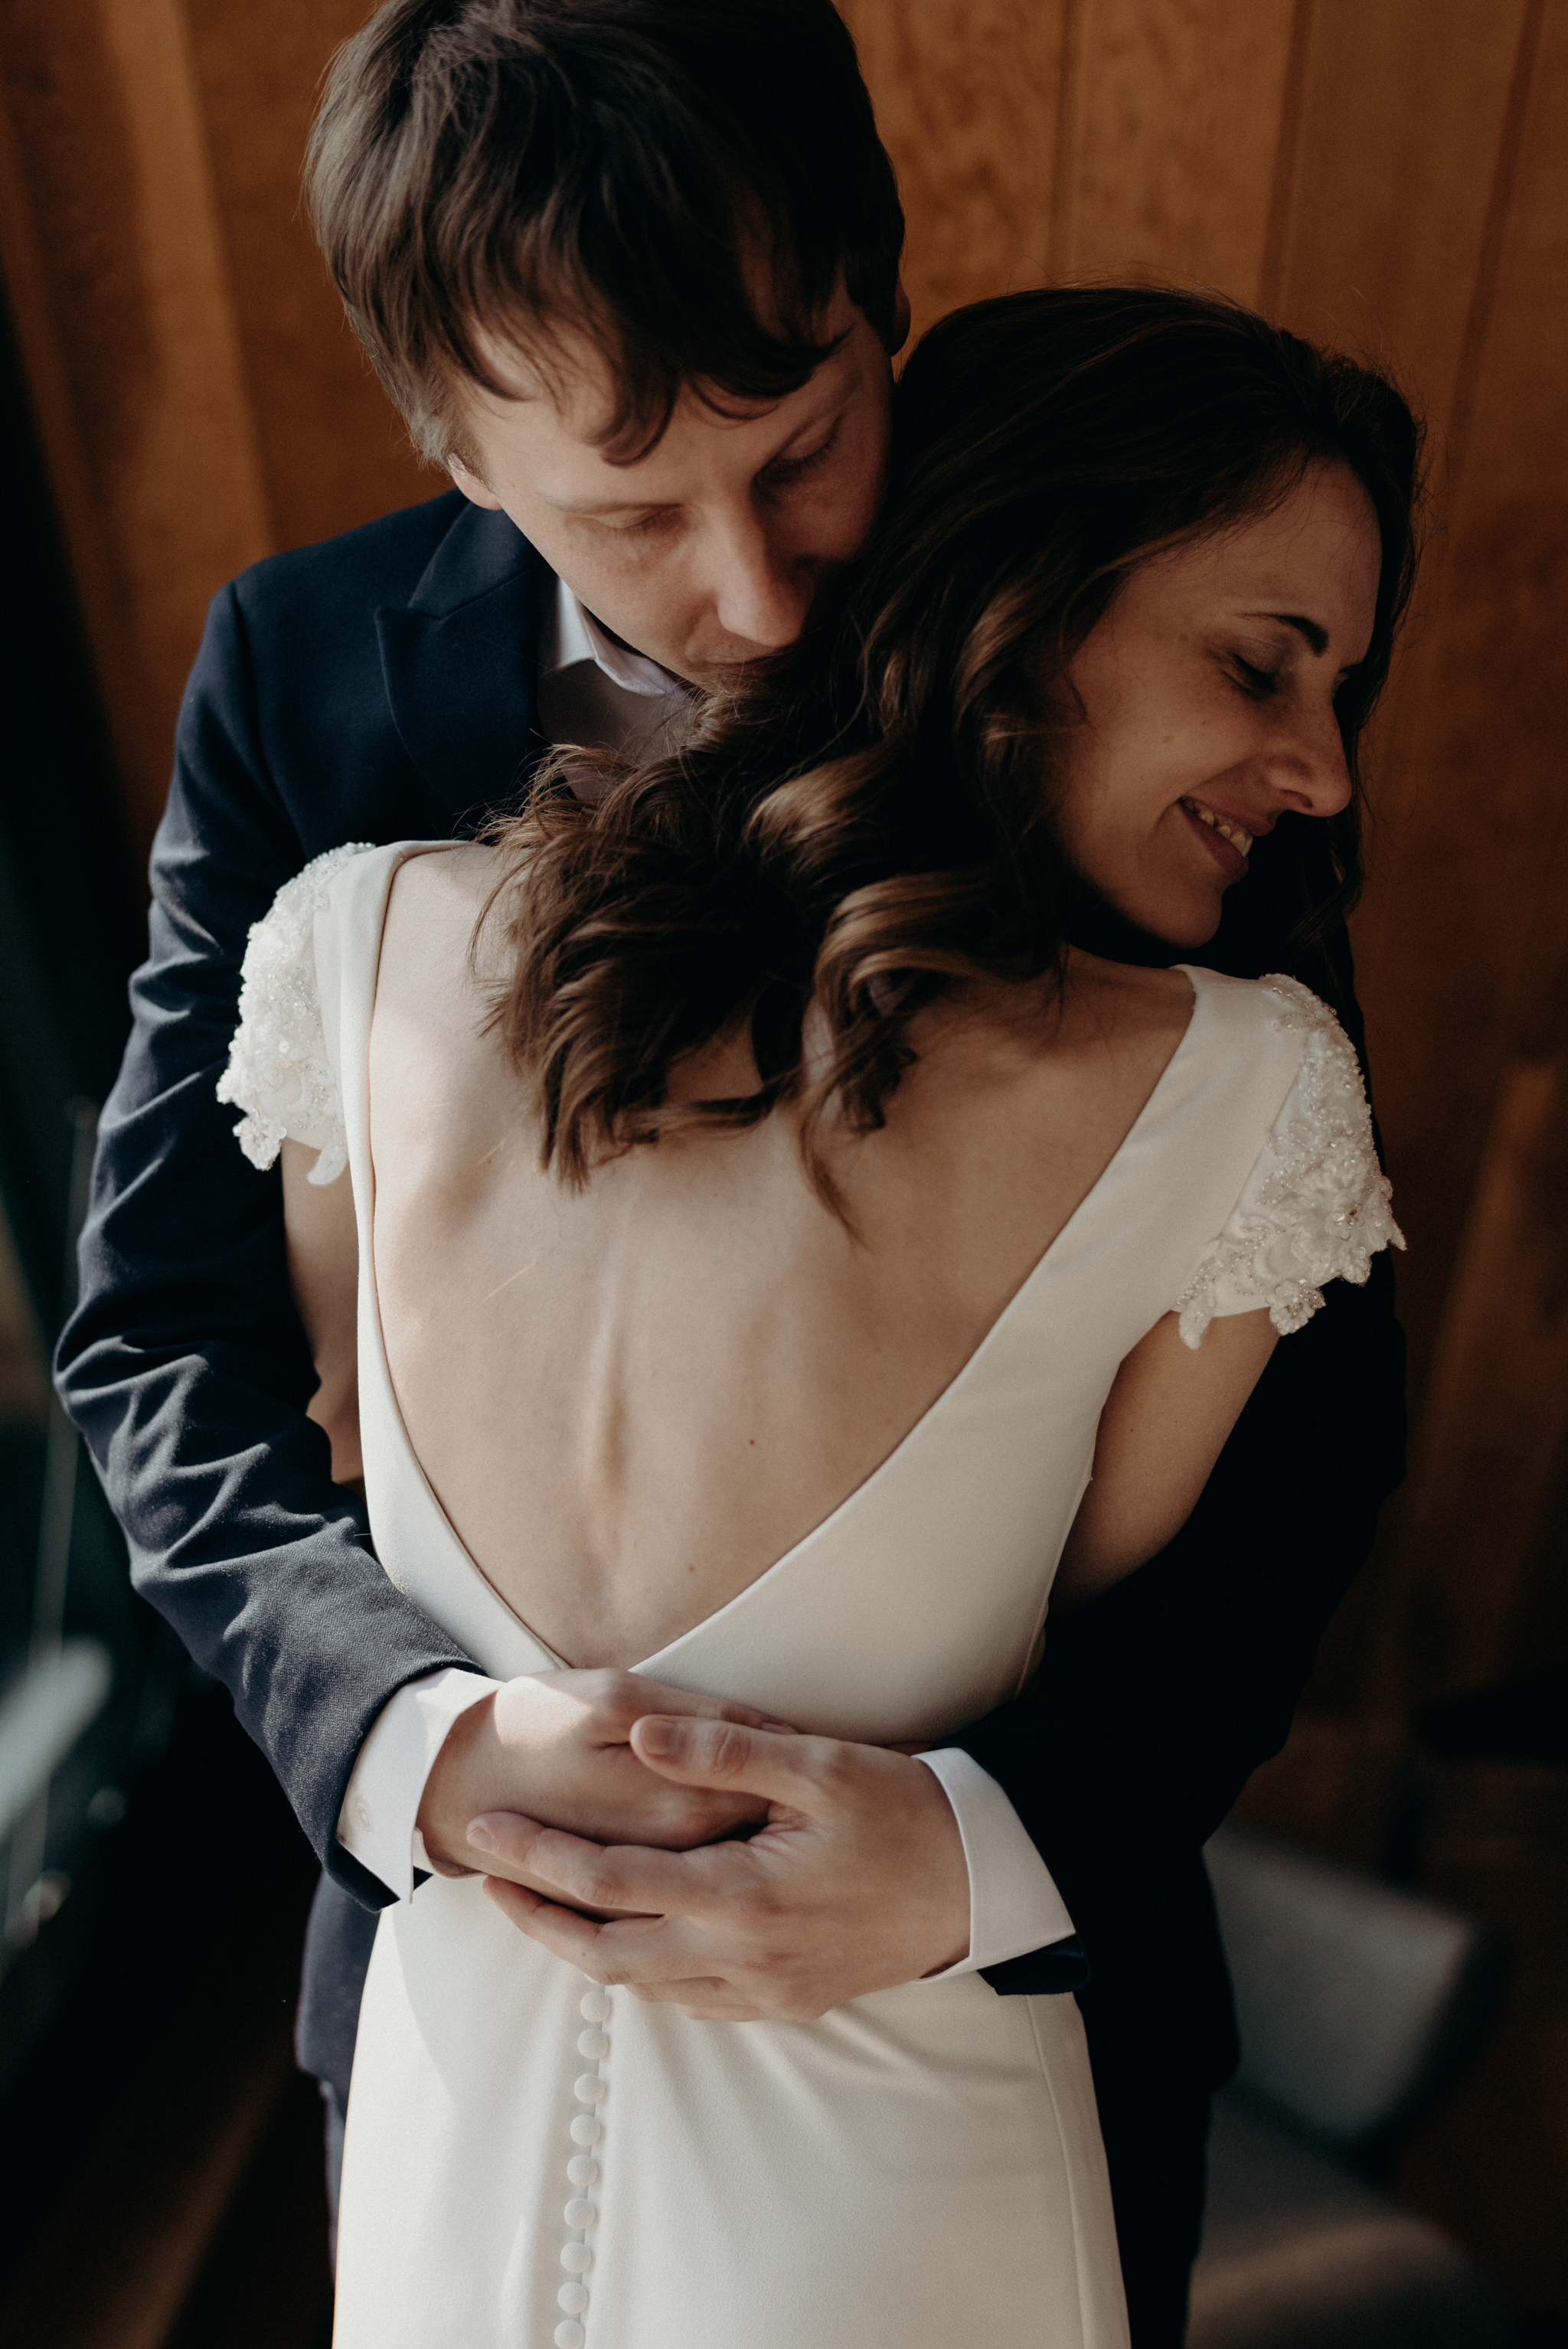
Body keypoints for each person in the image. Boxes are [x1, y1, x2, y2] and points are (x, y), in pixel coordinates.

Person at [54, 4, 1413, 2336]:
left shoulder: (1077, 614)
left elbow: (1307, 1431)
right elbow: (161, 1328)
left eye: (804, 450)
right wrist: (407, 1738)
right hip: (460, 1984)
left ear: (882, 302)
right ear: (456, 448)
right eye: (628, 512)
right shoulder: (299, 681)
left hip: (1010, 1998)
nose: (769, 596)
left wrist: (987, 1844)